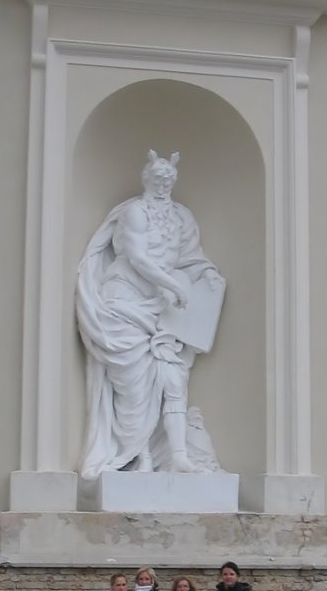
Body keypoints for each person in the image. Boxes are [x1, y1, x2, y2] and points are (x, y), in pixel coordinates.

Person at [76, 150, 225, 478]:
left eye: (168, 180)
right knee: (134, 390)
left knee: (172, 382)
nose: (162, 185)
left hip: (163, 310)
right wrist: (175, 284)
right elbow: (139, 258)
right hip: (125, 303)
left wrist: (207, 274)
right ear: (147, 179)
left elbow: (189, 256)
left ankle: (178, 457)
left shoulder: (182, 216)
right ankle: (136, 459)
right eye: (157, 179)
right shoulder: (134, 212)